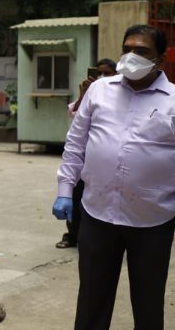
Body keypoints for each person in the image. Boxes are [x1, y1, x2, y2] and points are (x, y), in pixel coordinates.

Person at [52, 24, 175, 330]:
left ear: (161, 59)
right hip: (97, 215)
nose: (130, 56)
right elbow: (75, 143)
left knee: (148, 306)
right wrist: (64, 189)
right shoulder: (99, 90)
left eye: (141, 51)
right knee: (92, 303)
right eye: (127, 49)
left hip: (152, 221)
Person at [55, 58, 117, 249]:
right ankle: (72, 235)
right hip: (83, 159)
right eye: (99, 73)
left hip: (105, 163)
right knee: (75, 197)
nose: (102, 77)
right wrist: (84, 93)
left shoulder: (119, 97)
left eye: (107, 73)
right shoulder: (91, 94)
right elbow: (76, 117)